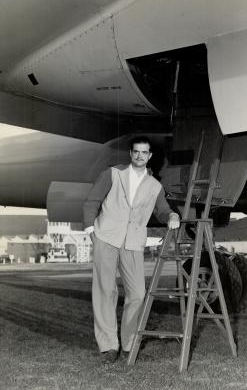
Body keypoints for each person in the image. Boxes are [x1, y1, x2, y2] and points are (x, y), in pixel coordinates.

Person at [83, 136, 180, 363]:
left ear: (150, 156)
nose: (139, 156)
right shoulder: (113, 173)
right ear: (131, 154)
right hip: (105, 238)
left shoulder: (155, 186)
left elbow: (163, 211)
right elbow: (91, 201)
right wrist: (92, 232)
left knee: (137, 294)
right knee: (105, 291)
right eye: (136, 152)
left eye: (144, 153)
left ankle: (129, 344)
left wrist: (173, 215)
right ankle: (108, 346)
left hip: (134, 242)